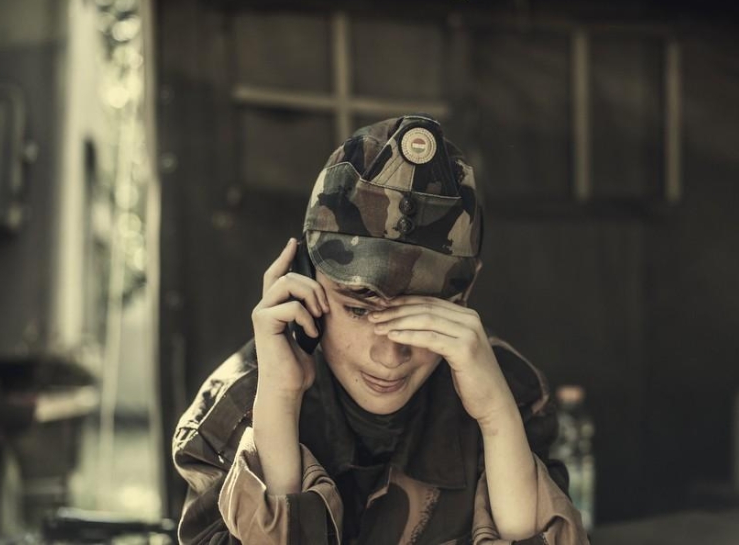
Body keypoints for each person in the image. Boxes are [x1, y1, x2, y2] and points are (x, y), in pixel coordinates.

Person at [172, 115, 589, 544]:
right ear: (304, 277)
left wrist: (497, 420)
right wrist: (279, 403)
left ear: (463, 298)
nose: (390, 357)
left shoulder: (510, 393)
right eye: (358, 308)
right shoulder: (233, 412)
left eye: (423, 317)